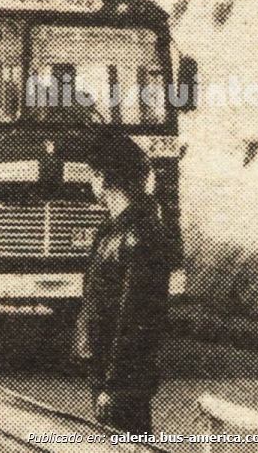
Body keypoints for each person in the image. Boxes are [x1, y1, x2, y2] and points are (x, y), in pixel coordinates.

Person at [76, 134, 172, 434]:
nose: (91, 183)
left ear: (102, 177)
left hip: (121, 380)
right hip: (107, 371)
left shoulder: (138, 236)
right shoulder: (114, 232)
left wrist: (115, 386)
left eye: (92, 175)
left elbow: (136, 319)